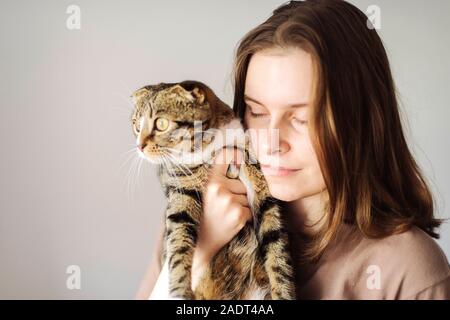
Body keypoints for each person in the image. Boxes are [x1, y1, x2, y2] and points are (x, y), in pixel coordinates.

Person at [135, 0, 450, 300]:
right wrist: (201, 254)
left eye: (301, 119)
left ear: (360, 122)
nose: (272, 141)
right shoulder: (194, 218)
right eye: (257, 112)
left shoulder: (409, 271)